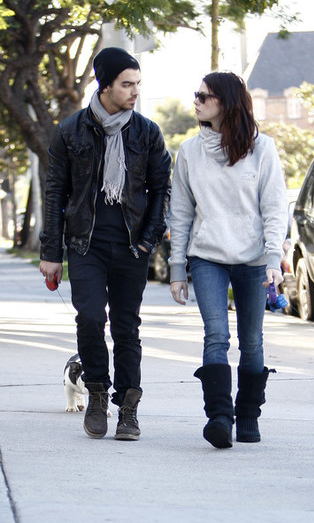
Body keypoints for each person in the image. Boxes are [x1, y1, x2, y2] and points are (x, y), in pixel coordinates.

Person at [39, 47, 172, 441]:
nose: (134, 92)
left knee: (127, 328)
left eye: (137, 84)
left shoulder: (147, 133)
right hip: (85, 245)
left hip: (132, 247)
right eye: (127, 84)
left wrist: (148, 242)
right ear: (106, 85)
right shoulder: (70, 131)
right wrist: (50, 252)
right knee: (91, 319)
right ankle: (97, 393)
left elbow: (162, 188)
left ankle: (128, 409)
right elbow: (55, 192)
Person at [169, 71, 288, 448]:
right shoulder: (189, 152)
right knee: (216, 335)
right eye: (196, 95)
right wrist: (176, 267)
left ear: (227, 101)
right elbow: (181, 213)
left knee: (252, 341)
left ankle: (249, 414)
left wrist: (273, 256)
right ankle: (220, 416)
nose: (197, 101)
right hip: (208, 257)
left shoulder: (262, 148)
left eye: (204, 96)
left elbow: (273, 206)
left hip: (253, 260)